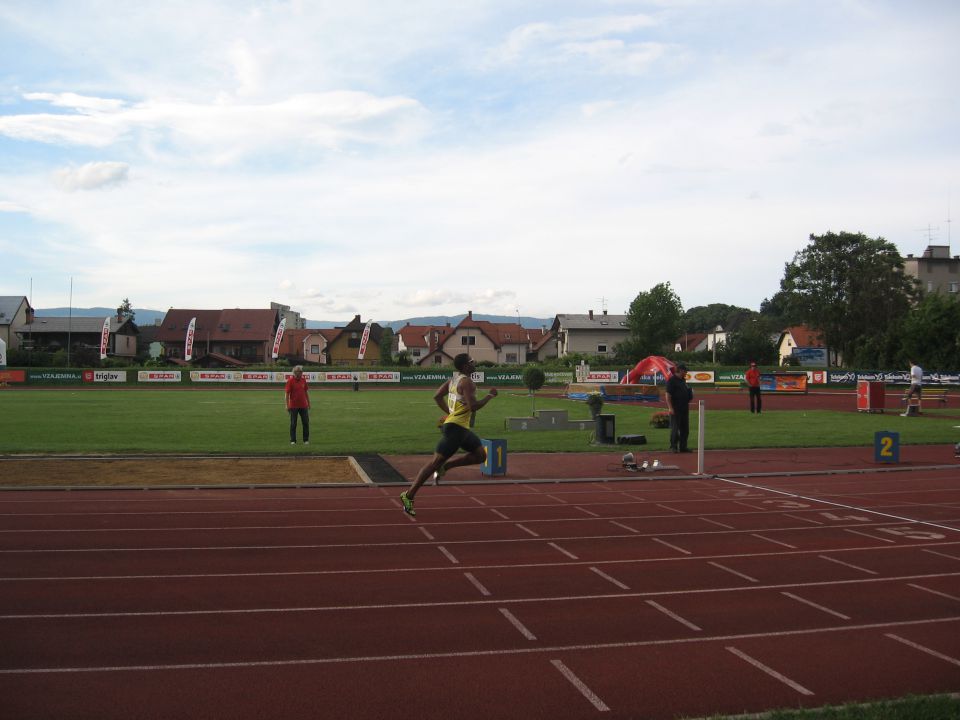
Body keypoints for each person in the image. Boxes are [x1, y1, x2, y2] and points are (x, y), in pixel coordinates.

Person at [400, 353, 498, 516]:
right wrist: (490, 396)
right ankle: (408, 495)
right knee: (434, 464)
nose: (475, 364)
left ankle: (447, 466)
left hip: (461, 428)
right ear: (466, 366)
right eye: (472, 362)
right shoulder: (467, 382)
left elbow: (437, 396)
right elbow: (473, 406)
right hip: (456, 429)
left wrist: (450, 413)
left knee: (480, 456)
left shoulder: (453, 380)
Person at [665, 362, 693, 453]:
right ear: (680, 370)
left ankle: (683, 447)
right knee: (675, 428)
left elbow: (687, 391)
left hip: (684, 408)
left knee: (685, 429)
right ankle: (673, 447)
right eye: (685, 371)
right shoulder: (672, 380)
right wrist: (670, 408)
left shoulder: (683, 380)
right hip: (676, 408)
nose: (686, 373)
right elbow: (668, 395)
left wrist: (690, 394)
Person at [285, 365, 310, 444]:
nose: (300, 373)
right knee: (293, 423)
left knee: (306, 422)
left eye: (301, 372)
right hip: (293, 406)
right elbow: (287, 394)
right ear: (295, 372)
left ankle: (306, 440)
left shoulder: (303, 380)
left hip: (303, 405)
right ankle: (293, 440)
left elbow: (306, 392)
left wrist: (308, 403)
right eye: (299, 372)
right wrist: (287, 405)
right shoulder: (290, 381)